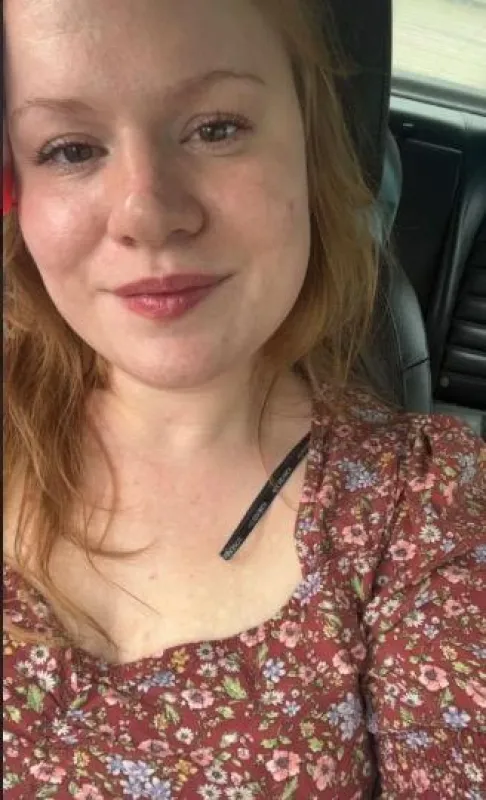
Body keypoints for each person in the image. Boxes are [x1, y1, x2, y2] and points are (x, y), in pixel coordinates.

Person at [3, 0, 485, 797]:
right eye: (70, 148)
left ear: (311, 146)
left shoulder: (426, 508)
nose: (149, 215)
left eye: (216, 128)